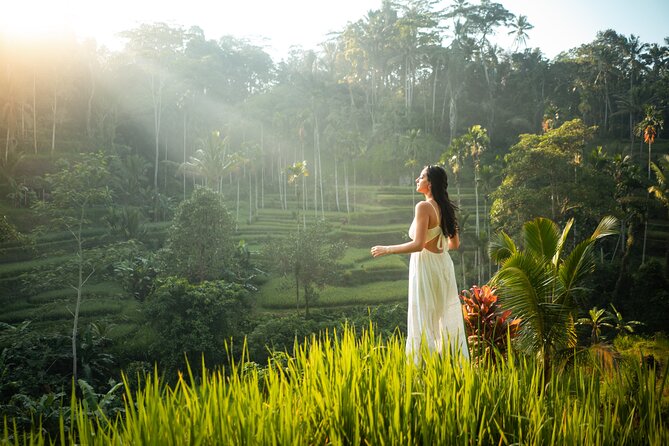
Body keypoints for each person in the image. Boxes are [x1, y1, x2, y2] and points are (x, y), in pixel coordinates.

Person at [371, 165, 469, 363]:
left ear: (430, 183)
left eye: (421, 177)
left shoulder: (423, 207)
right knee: (441, 316)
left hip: (425, 266)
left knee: (424, 316)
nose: (417, 179)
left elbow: (418, 245)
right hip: (443, 266)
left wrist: (386, 249)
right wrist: (437, 246)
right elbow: (454, 244)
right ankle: (448, 363)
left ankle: (424, 368)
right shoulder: (446, 207)